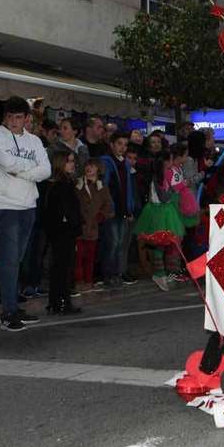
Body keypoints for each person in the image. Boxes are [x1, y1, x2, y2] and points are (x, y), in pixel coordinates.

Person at [0, 96, 50, 331]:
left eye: (18, 117)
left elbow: (46, 170)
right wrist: (29, 169)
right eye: (10, 117)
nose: (14, 121)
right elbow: (6, 163)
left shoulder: (34, 140)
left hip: (27, 206)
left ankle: (12, 305)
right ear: (5, 117)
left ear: (26, 118)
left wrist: (22, 172)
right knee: (10, 260)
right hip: (4, 206)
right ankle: (8, 312)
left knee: (17, 260)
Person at [134, 150, 185, 291]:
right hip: (159, 212)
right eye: (169, 160)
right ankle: (159, 274)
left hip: (164, 211)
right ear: (163, 162)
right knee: (159, 243)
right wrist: (175, 190)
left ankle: (164, 273)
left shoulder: (162, 176)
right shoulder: (158, 178)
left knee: (164, 243)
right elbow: (163, 197)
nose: (171, 163)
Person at [43, 152, 83, 315]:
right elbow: (64, 210)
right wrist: (74, 223)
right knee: (63, 267)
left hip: (61, 231)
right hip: (63, 231)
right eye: (69, 162)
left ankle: (58, 302)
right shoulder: (61, 185)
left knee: (61, 267)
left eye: (73, 161)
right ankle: (61, 302)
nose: (72, 164)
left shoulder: (62, 183)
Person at [100, 132, 136, 289]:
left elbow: (128, 188)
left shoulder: (126, 164)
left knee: (121, 243)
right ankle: (108, 273)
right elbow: (104, 186)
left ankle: (118, 272)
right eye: (120, 144)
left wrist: (129, 208)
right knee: (112, 242)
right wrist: (107, 207)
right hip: (112, 209)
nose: (123, 147)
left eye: (125, 145)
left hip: (123, 209)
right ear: (112, 144)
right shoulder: (106, 162)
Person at [74, 159, 113, 292]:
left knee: (90, 256)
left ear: (98, 169)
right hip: (79, 227)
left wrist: (102, 215)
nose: (89, 168)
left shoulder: (102, 187)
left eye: (92, 166)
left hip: (93, 228)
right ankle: (78, 280)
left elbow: (109, 205)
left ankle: (88, 280)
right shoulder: (77, 184)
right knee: (78, 256)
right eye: (87, 165)